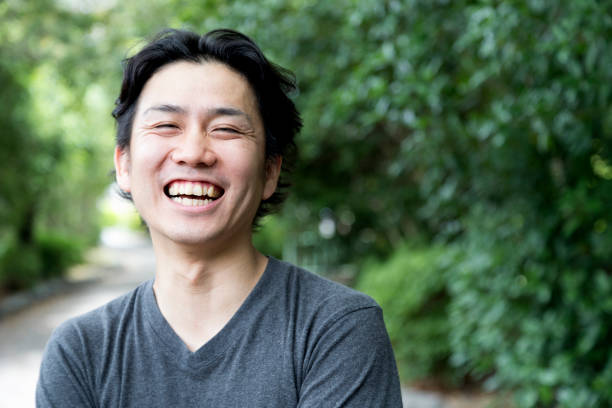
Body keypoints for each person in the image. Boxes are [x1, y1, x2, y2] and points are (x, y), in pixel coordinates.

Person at [36, 28, 402, 407]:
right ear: (124, 164)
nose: (194, 152)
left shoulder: (336, 329)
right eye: (166, 125)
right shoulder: (81, 352)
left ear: (270, 172)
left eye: (226, 129)